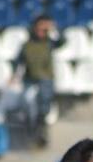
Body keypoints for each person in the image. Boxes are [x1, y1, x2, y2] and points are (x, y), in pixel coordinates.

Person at [10, 15, 62, 145]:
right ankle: (31, 128)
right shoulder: (27, 45)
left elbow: (62, 41)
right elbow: (18, 61)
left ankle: (41, 130)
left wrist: (54, 29)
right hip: (30, 78)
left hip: (46, 78)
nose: (41, 31)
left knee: (44, 105)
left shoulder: (49, 43)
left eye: (44, 29)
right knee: (26, 102)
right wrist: (14, 75)